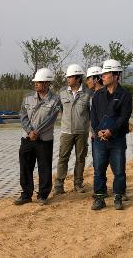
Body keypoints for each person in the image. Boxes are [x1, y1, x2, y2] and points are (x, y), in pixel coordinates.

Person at [14, 68, 61, 206]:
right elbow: (22, 115)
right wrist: (29, 131)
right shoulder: (28, 98)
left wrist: (37, 132)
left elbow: (51, 120)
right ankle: (26, 194)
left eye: (39, 82)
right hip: (27, 139)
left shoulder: (55, 100)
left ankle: (43, 195)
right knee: (25, 166)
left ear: (47, 84)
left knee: (44, 167)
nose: (36, 84)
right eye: (35, 82)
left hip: (44, 141)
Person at [90, 59, 132, 210]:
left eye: (107, 73)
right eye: (103, 73)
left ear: (116, 75)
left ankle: (118, 197)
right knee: (98, 170)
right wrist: (97, 131)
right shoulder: (97, 95)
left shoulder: (125, 95)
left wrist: (111, 131)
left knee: (119, 171)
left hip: (117, 140)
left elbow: (124, 117)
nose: (103, 76)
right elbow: (93, 116)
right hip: (99, 140)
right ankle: (99, 198)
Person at [54, 64, 92, 195]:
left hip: (82, 132)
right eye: (68, 77)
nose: (68, 80)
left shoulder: (88, 93)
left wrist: (91, 130)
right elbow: (59, 109)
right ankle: (59, 185)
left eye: (70, 77)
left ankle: (78, 184)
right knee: (63, 158)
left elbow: (91, 113)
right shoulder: (62, 92)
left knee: (80, 158)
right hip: (66, 132)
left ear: (77, 78)